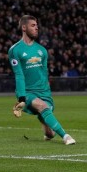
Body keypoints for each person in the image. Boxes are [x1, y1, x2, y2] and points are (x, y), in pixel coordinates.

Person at [9, 15, 76, 145]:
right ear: (24, 27)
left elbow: (44, 73)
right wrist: (22, 98)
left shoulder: (42, 50)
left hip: (44, 92)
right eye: (33, 25)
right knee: (42, 106)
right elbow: (19, 74)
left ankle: (45, 122)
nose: (36, 28)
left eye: (37, 25)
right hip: (28, 92)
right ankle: (66, 136)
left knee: (50, 133)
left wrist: (47, 92)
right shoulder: (15, 50)